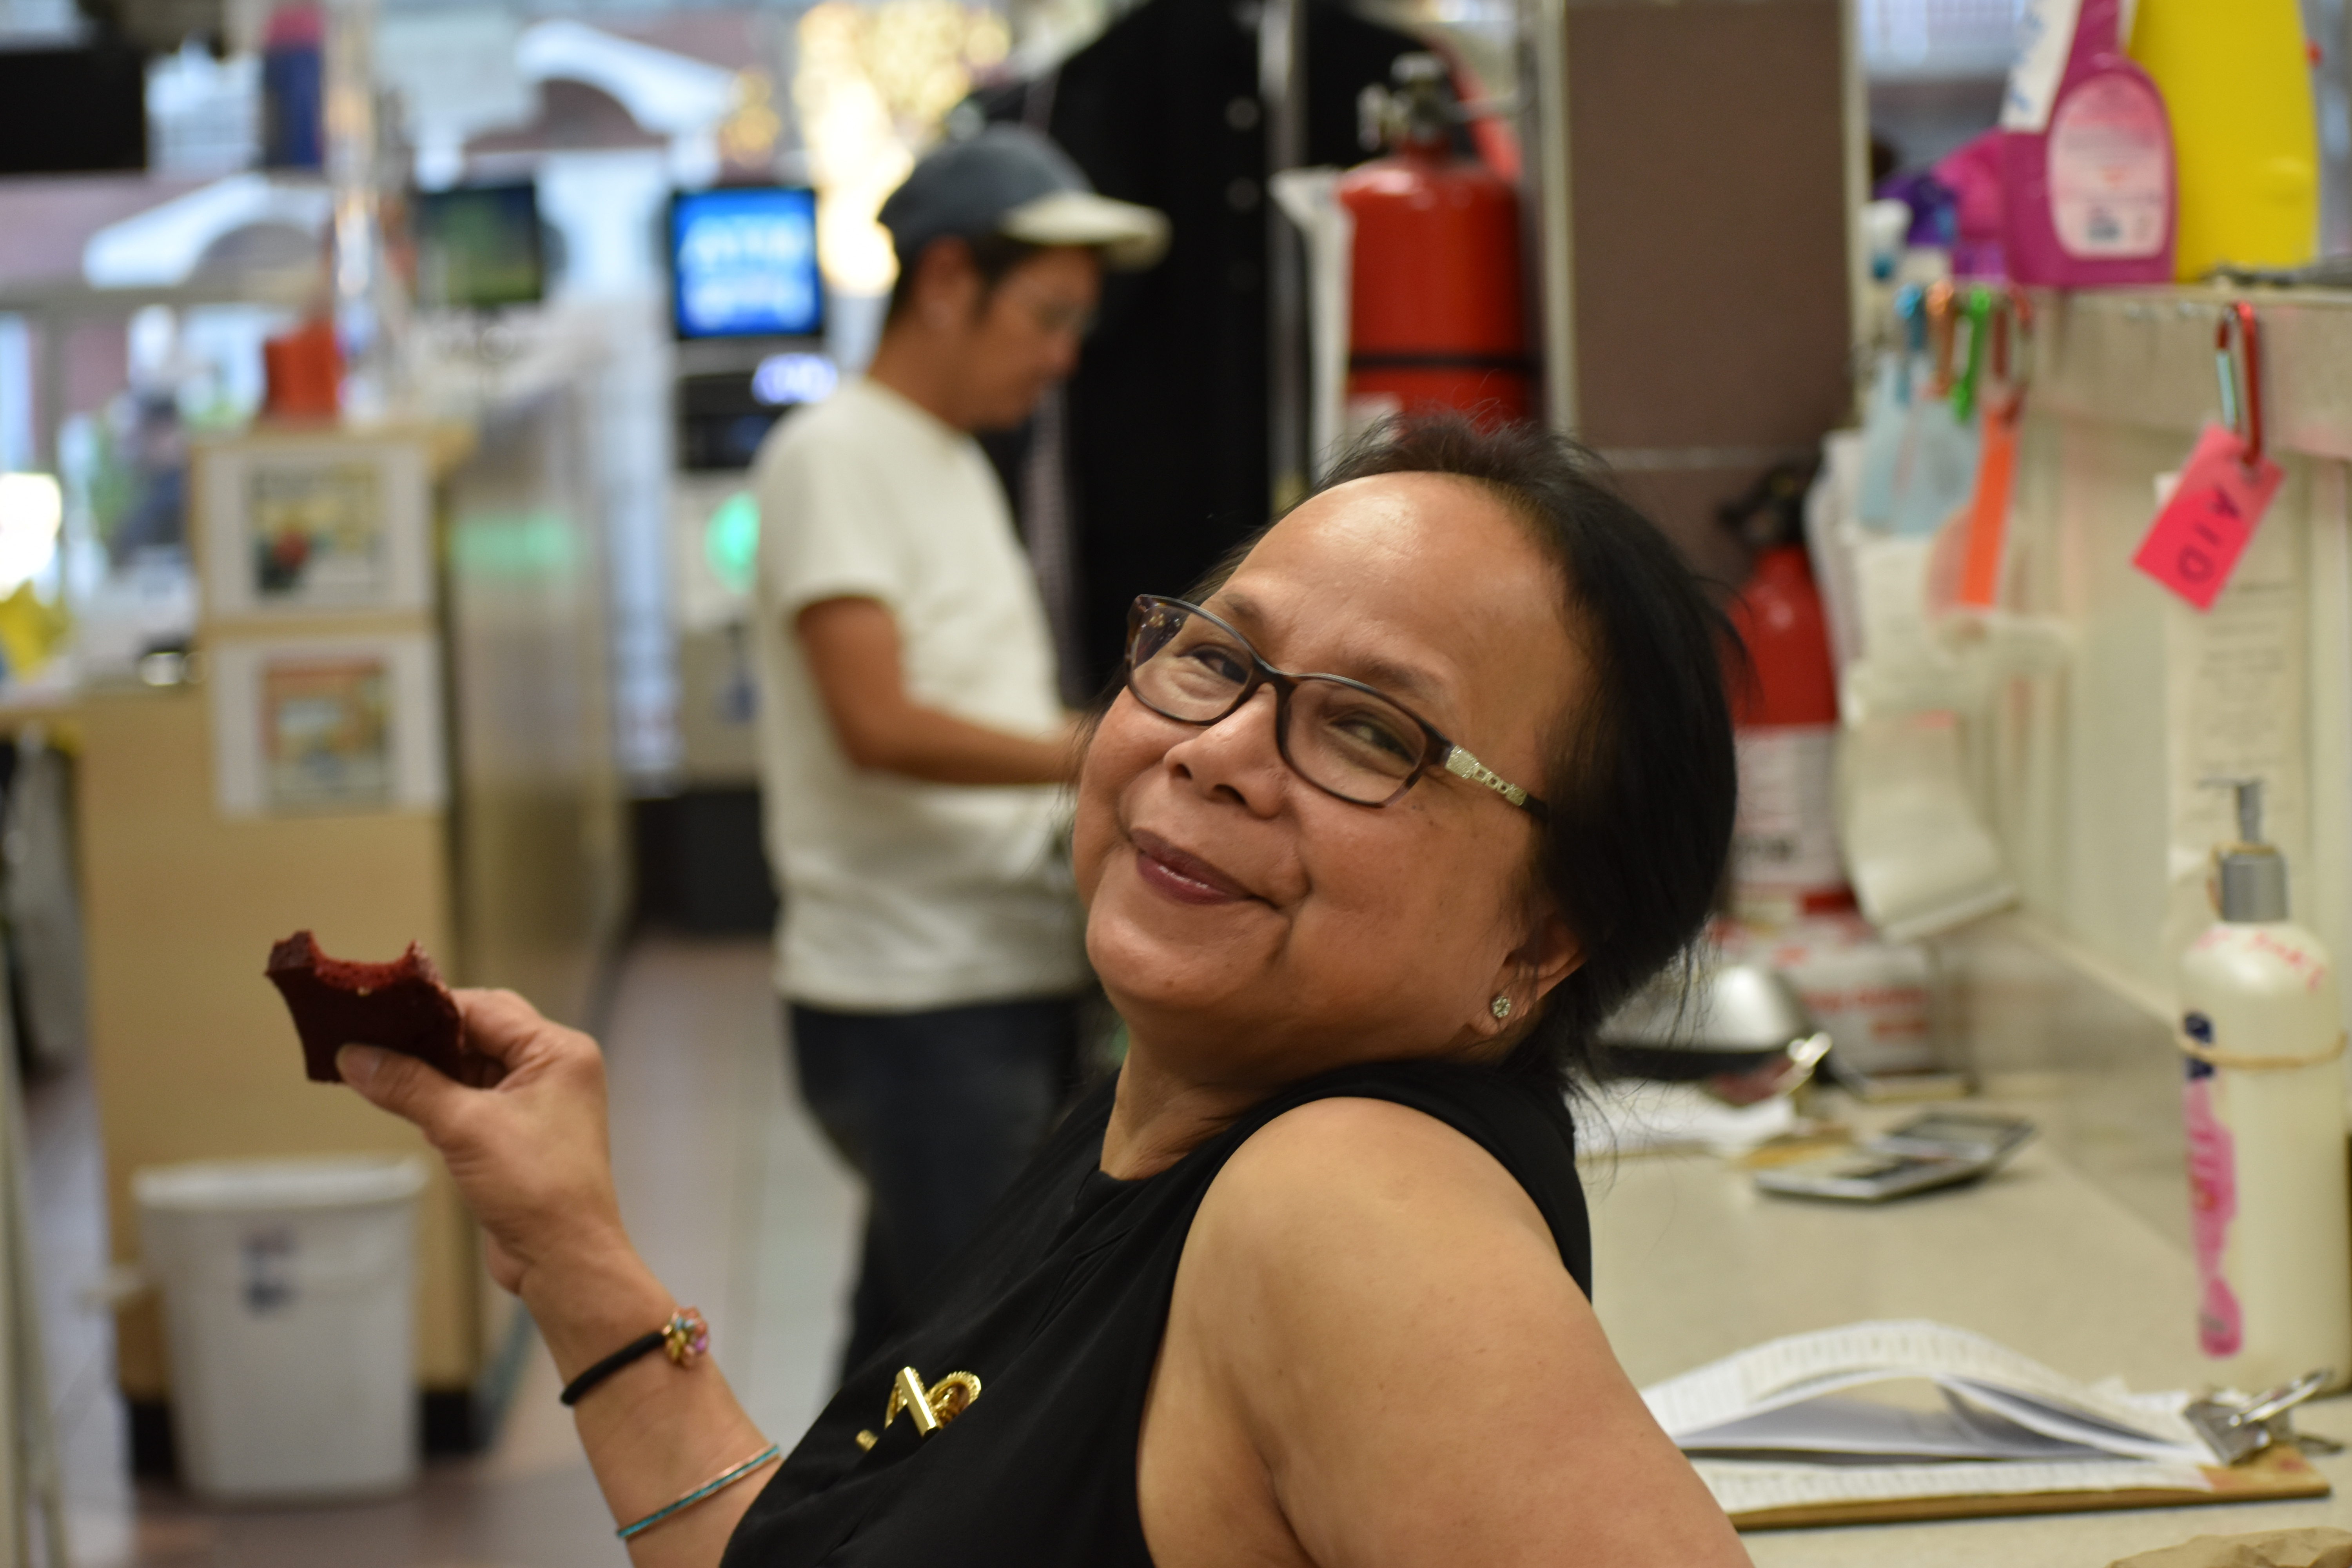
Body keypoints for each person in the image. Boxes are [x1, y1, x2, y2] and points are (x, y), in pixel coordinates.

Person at [336, 414, 1753, 1566]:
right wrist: (575, 1255)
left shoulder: (1347, 1205)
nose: (1217, 753)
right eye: (1214, 656)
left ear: (1543, 942)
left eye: (1373, 732)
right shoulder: (1152, 1127)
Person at [746, 127, 1168, 1369]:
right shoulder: (835, 454)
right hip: (913, 1000)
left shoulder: (950, 458)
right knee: (976, 1369)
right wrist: (1101, 750)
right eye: (1042, 315)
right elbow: (873, 721)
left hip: (984, 971)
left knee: (905, 1348)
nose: (1060, 356)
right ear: (943, 284)